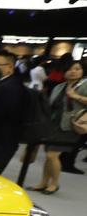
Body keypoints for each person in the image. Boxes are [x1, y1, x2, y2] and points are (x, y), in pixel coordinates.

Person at [28, 60, 87, 195]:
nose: (73, 72)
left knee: (52, 155)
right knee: (49, 156)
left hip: (69, 126)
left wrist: (76, 96)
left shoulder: (84, 85)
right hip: (53, 124)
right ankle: (43, 182)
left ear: (83, 71)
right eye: (70, 69)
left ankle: (54, 184)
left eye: (77, 69)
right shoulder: (60, 86)